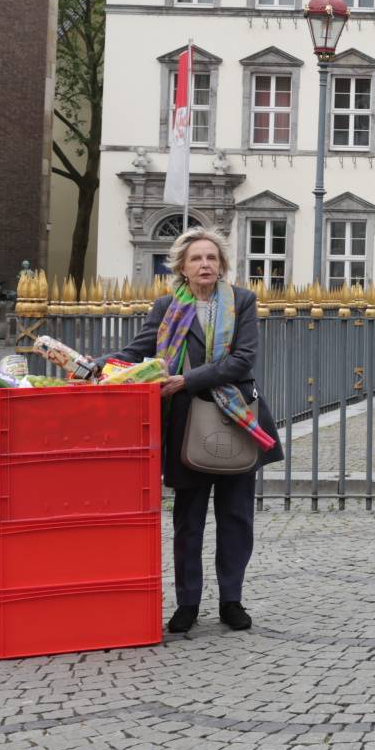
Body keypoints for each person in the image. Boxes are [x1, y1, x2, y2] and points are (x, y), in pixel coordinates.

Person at [104, 228, 281, 635]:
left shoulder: (242, 302)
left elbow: (243, 360)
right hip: (184, 425)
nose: (205, 265)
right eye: (197, 258)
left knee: (236, 517)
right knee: (188, 521)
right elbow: (139, 352)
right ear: (182, 267)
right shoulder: (167, 306)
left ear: (221, 266)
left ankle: (231, 600)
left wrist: (187, 379)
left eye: (212, 258)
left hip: (234, 418)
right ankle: (187, 602)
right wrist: (97, 366)